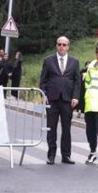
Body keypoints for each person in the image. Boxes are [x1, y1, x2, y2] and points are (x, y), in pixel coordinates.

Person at [39, 36, 80, 165]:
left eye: (64, 45)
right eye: (59, 44)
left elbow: (77, 82)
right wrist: (44, 94)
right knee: (51, 128)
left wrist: (75, 96)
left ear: (68, 47)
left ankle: (66, 156)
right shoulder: (48, 60)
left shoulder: (75, 62)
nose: (62, 47)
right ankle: (51, 155)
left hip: (68, 100)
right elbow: (43, 80)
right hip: (52, 99)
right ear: (56, 45)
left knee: (66, 129)